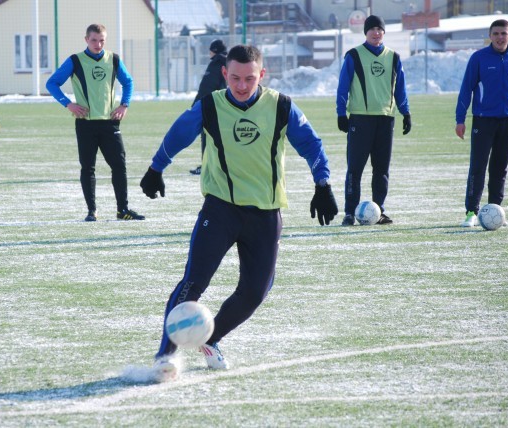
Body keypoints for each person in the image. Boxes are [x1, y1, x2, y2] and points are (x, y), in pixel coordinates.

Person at [140, 45, 338, 381]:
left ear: (262, 74)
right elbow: (179, 133)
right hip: (220, 209)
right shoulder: (211, 106)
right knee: (193, 282)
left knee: (255, 292)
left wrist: (323, 184)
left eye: (249, 78)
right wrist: (156, 167)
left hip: (264, 213)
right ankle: (165, 356)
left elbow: (311, 143)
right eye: (235, 78)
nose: (242, 85)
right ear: (224, 75)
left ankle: (212, 339)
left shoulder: (281, 106)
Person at [46, 23, 144, 222]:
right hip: (85, 124)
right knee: (88, 168)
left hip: (110, 123)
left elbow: (129, 82)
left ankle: (122, 210)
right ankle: (92, 211)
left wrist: (124, 104)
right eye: (94, 40)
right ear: (86, 40)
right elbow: (52, 83)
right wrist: (68, 104)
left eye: (102, 41)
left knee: (119, 166)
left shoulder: (114, 59)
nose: (98, 44)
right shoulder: (75, 61)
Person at [336, 14, 411, 226]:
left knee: (381, 170)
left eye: (380, 29)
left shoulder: (394, 57)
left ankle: (378, 210)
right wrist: (341, 113)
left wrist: (406, 113)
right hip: (360, 120)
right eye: (372, 29)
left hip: (385, 120)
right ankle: (350, 212)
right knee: (355, 169)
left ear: (384, 32)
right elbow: (343, 87)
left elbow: (401, 89)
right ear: (365, 33)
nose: (376, 33)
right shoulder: (353, 56)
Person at [455, 19, 508, 227]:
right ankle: (471, 211)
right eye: (496, 33)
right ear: (490, 36)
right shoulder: (479, 58)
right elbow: (466, 89)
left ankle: (495, 210)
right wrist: (460, 119)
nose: (500, 37)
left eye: (503, 34)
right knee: (478, 167)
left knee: (500, 168)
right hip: (483, 121)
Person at [189, 39, 227, 175]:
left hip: (212, 105)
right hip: (225, 104)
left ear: (215, 51)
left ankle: (207, 165)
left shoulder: (216, 64)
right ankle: (219, 164)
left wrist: (195, 105)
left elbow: (206, 87)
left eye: (210, 50)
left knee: (207, 134)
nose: (209, 52)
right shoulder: (229, 63)